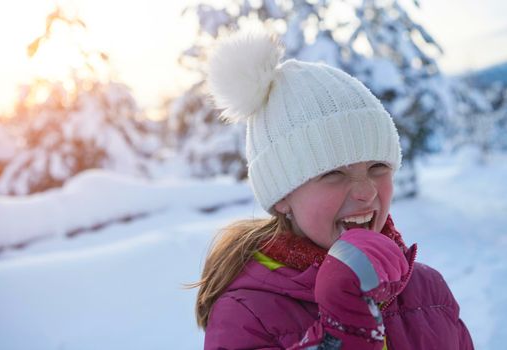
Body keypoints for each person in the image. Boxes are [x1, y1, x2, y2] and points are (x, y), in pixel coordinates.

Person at [194, 29, 474, 349]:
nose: (366, 192)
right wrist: (344, 325)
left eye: (377, 167)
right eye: (333, 173)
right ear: (283, 196)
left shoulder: (427, 289)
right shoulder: (247, 315)